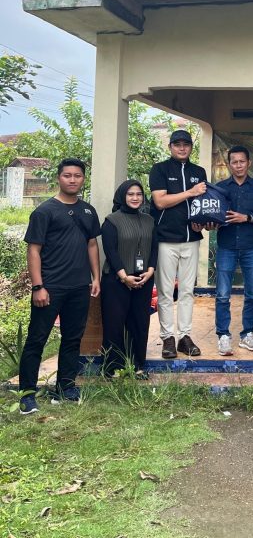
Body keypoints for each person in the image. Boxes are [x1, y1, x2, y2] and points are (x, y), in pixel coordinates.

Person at [18, 158, 101, 414]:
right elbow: (34, 250)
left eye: (77, 175)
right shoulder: (44, 211)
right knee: (36, 340)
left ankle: (65, 387)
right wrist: (37, 286)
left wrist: (95, 277)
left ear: (83, 179)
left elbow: (91, 245)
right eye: (68, 175)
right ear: (59, 178)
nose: (73, 180)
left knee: (72, 339)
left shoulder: (88, 211)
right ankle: (27, 395)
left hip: (79, 287)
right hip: (51, 287)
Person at [149, 129, 208, 359]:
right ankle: (167, 338)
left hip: (191, 240)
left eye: (186, 144)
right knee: (165, 292)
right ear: (170, 147)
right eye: (177, 144)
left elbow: (203, 205)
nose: (182, 148)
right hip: (165, 239)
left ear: (191, 147)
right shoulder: (160, 169)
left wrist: (202, 222)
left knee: (187, 291)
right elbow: (160, 201)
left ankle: (184, 336)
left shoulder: (198, 171)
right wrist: (190, 192)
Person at [215, 145, 253, 355]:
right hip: (226, 246)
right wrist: (211, 222)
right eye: (234, 162)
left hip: (250, 246)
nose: (238, 165)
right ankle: (223, 336)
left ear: (249, 163)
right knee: (222, 294)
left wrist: (246, 218)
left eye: (242, 161)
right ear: (229, 164)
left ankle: (247, 334)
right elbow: (212, 213)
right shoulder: (220, 188)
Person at [100, 180, 158, 376]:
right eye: (131, 194)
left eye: (139, 194)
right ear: (122, 196)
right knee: (114, 325)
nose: (135, 198)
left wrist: (151, 270)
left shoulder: (150, 220)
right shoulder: (112, 220)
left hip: (143, 278)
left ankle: (137, 365)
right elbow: (110, 251)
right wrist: (124, 276)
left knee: (140, 323)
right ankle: (113, 369)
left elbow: (154, 248)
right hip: (117, 280)